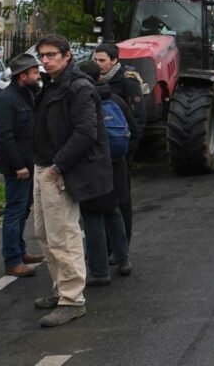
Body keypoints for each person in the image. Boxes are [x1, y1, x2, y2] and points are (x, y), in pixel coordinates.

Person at [32, 34, 113, 328]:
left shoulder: (78, 88)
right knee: (44, 234)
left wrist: (57, 167)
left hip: (59, 170)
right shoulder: (52, 85)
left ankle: (72, 300)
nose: (45, 60)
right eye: (42, 55)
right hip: (44, 167)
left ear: (67, 56)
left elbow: (86, 133)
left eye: (51, 55)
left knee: (63, 236)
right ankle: (60, 289)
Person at [77, 60, 137, 285]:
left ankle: (99, 270)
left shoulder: (82, 100)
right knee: (114, 213)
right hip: (116, 164)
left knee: (92, 218)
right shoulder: (115, 99)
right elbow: (135, 129)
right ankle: (123, 260)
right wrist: (124, 157)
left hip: (91, 166)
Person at [0, 54, 45, 278]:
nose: (38, 75)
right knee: (15, 211)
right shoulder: (6, 99)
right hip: (18, 168)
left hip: (30, 164)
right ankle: (12, 260)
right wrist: (18, 165)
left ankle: (19, 251)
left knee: (23, 210)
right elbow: (4, 137)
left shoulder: (29, 95)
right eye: (34, 72)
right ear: (22, 76)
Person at [94, 42, 142, 244]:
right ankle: (106, 244)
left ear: (114, 61)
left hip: (120, 153)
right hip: (101, 155)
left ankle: (123, 242)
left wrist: (128, 152)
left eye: (102, 60)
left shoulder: (128, 82)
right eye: (95, 60)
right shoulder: (94, 81)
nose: (98, 64)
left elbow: (138, 121)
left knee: (122, 200)